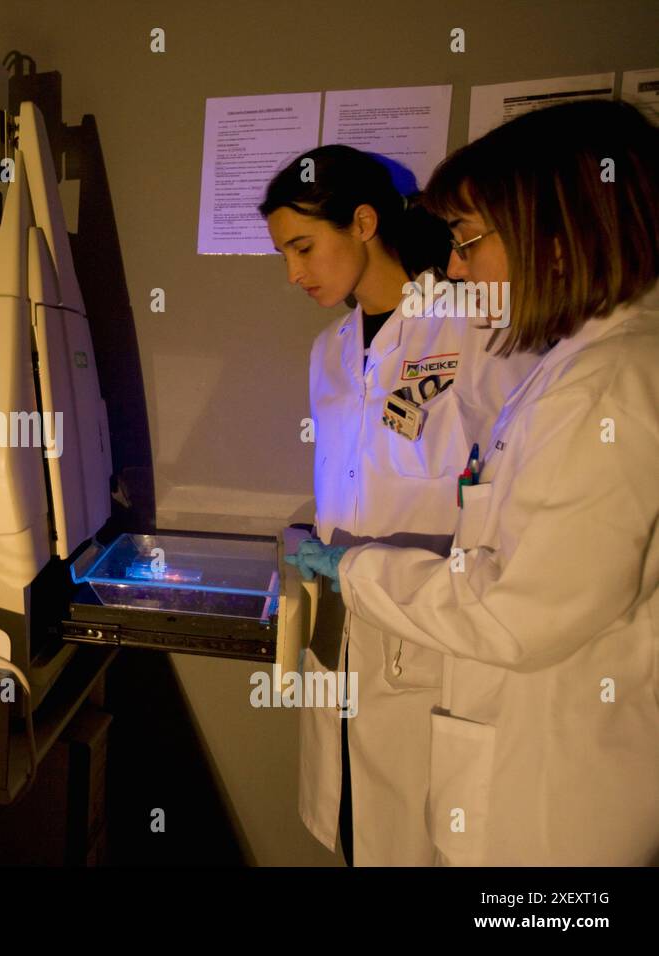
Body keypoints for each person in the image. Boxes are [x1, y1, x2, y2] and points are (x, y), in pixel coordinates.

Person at [289, 100, 659, 865]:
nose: (455, 264)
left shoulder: (602, 386)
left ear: (555, 234)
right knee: (357, 823)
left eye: (468, 240)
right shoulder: (576, 373)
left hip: (552, 792)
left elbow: (518, 613)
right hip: (429, 660)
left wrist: (359, 567)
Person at [261, 145, 539, 866]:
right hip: (342, 633)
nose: (293, 273)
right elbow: (350, 480)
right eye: (284, 254)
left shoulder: (472, 326)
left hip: (429, 641)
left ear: (362, 221)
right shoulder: (329, 352)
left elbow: (510, 488)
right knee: (351, 828)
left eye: (303, 247)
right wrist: (307, 548)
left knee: (417, 840)